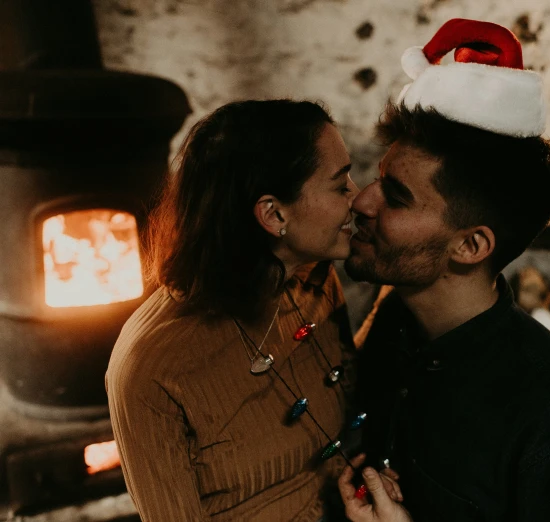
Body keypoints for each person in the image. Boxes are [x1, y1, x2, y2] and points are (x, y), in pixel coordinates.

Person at [337, 19, 550, 522]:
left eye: (396, 197)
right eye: (377, 180)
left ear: (470, 245)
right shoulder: (394, 318)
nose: (361, 201)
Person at [106, 99, 361, 521]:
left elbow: (347, 402)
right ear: (274, 214)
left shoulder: (315, 282)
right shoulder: (149, 370)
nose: (360, 196)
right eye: (340, 185)